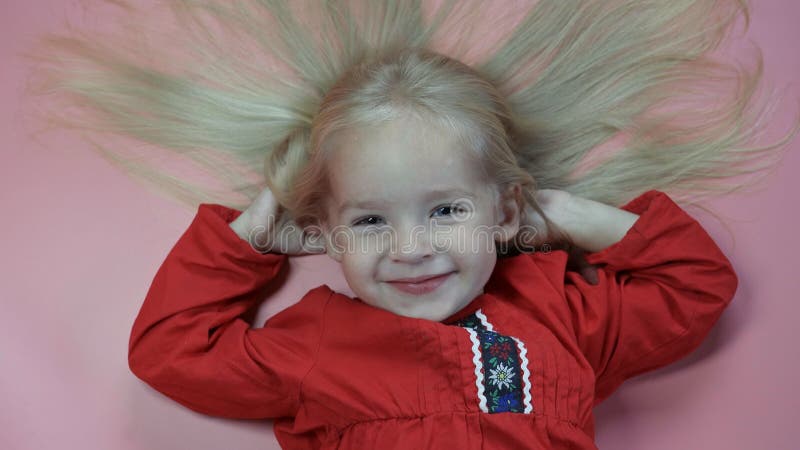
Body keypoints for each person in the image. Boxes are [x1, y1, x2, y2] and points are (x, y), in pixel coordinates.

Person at [32, 0, 796, 448]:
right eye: (368, 220)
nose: (411, 247)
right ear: (328, 234)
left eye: (446, 209)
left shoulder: (563, 312)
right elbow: (170, 353)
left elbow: (696, 289)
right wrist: (250, 233)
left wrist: (564, 215)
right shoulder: (318, 345)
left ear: (501, 211)